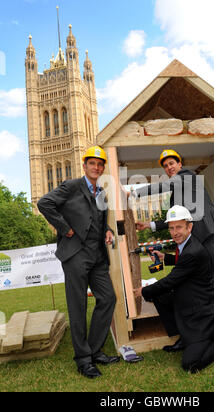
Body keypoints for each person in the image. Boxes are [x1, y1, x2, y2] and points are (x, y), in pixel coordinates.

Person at [129, 149, 214, 344]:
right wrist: (150, 225)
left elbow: (164, 186)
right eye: (165, 166)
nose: (169, 168)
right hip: (197, 242)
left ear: (180, 165)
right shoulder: (177, 192)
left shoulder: (187, 176)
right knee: (195, 287)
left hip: (210, 235)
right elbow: (176, 219)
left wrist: (133, 192)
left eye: (172, 163)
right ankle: (207, 331)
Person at [37, 146, 120, 379]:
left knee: (108, 298)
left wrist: (108, 230)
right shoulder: (72, 186)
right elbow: (44, 203)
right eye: (92, 163)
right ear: (84, 166)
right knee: (78, 305)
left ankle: (94, 350)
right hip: (76, 255)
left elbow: (103, 220)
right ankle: (83, 360)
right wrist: (66, 229)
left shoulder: (102, 193)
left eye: (100, 164)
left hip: (97, 255)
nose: (96, 167)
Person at [134, 205, 214, 373]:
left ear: (190, 227)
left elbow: (171, 281)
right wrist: (164, 257)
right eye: (172, 228)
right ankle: (184, 337)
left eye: (179, 227)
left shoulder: (193, 251)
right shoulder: (186, 245)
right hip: (192, 300)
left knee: (190, 364)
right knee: (161, 296)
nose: (175, 232)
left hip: (205, 312)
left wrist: (143, 291)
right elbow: (183, 262)